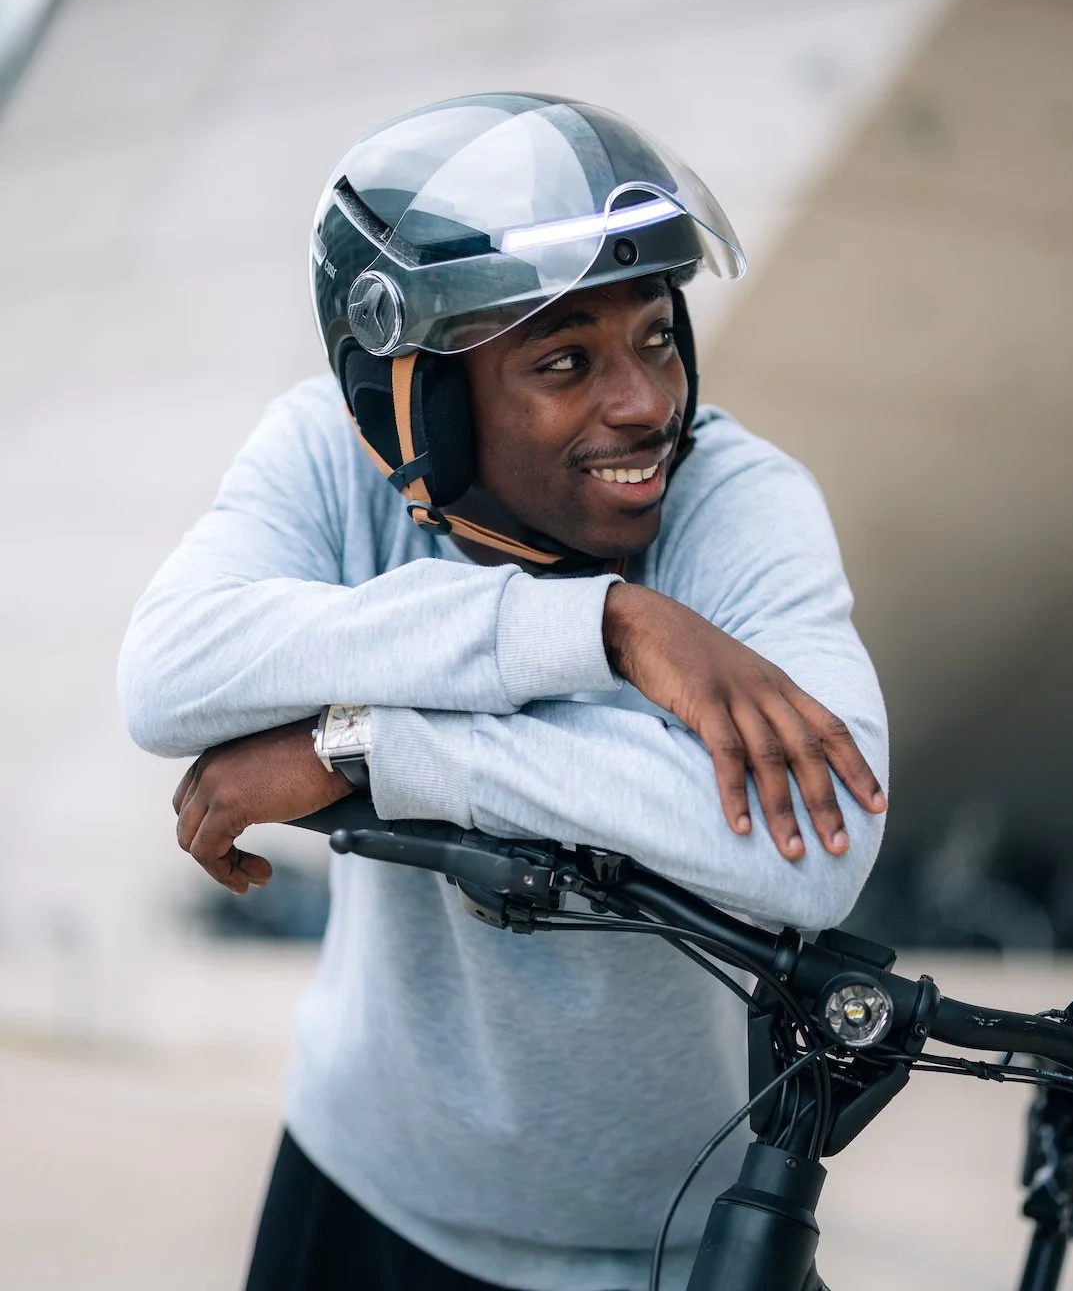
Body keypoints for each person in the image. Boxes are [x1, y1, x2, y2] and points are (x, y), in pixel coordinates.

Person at [118, 94, 889, 1291]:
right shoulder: (333, 457)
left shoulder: (741, 501)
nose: (643, 402)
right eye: (565, 359)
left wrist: (374, 748)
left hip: (664, 1246)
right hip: (362, 1183)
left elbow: (812, 849)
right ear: (415, 399)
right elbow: (169, 671)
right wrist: (602, 624)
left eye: (657, 336)